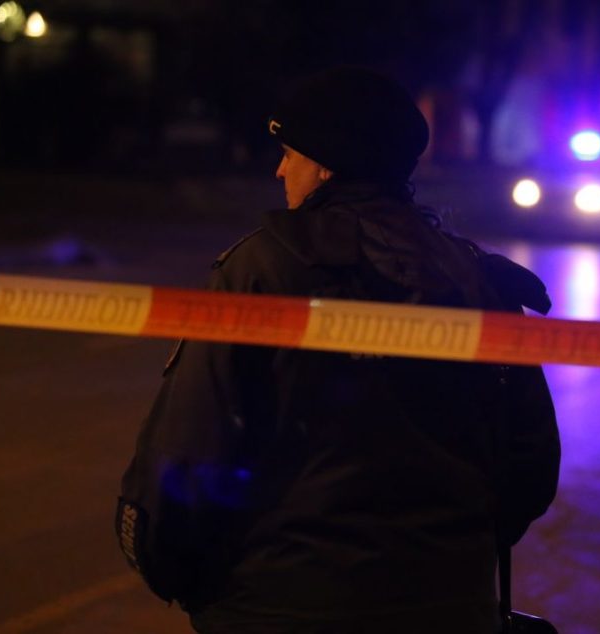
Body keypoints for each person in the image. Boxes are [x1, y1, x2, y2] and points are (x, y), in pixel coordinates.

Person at [117, 67, 560, 634]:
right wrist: (450, 558)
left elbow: (190, 446)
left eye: (289, 154)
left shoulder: (262, 271)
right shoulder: (478, 279)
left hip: (280, 607)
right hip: (452, 608)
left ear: (327, 165)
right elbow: (530, 461)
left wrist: (167, 562)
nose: (280, 170)